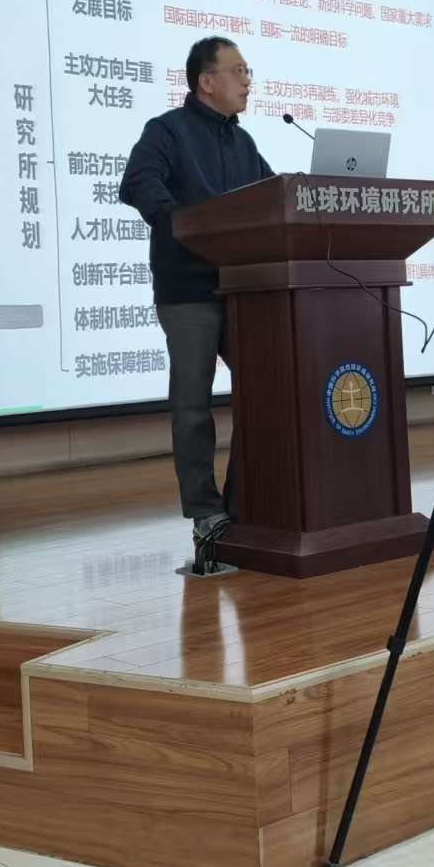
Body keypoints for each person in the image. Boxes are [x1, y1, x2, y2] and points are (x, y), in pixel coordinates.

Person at [119, 36, 272, 556]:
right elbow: (138, 183)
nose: (248, 81)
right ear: (207, 81)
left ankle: (250, 499)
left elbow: (276, 197)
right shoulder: (166, 131)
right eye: (239, 71)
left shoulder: (244, 142)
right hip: (188, 289)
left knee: (270, 385)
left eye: (248, 72)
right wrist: (187, 226)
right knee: (192, 404)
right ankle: (206, 513)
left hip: (243, 288)